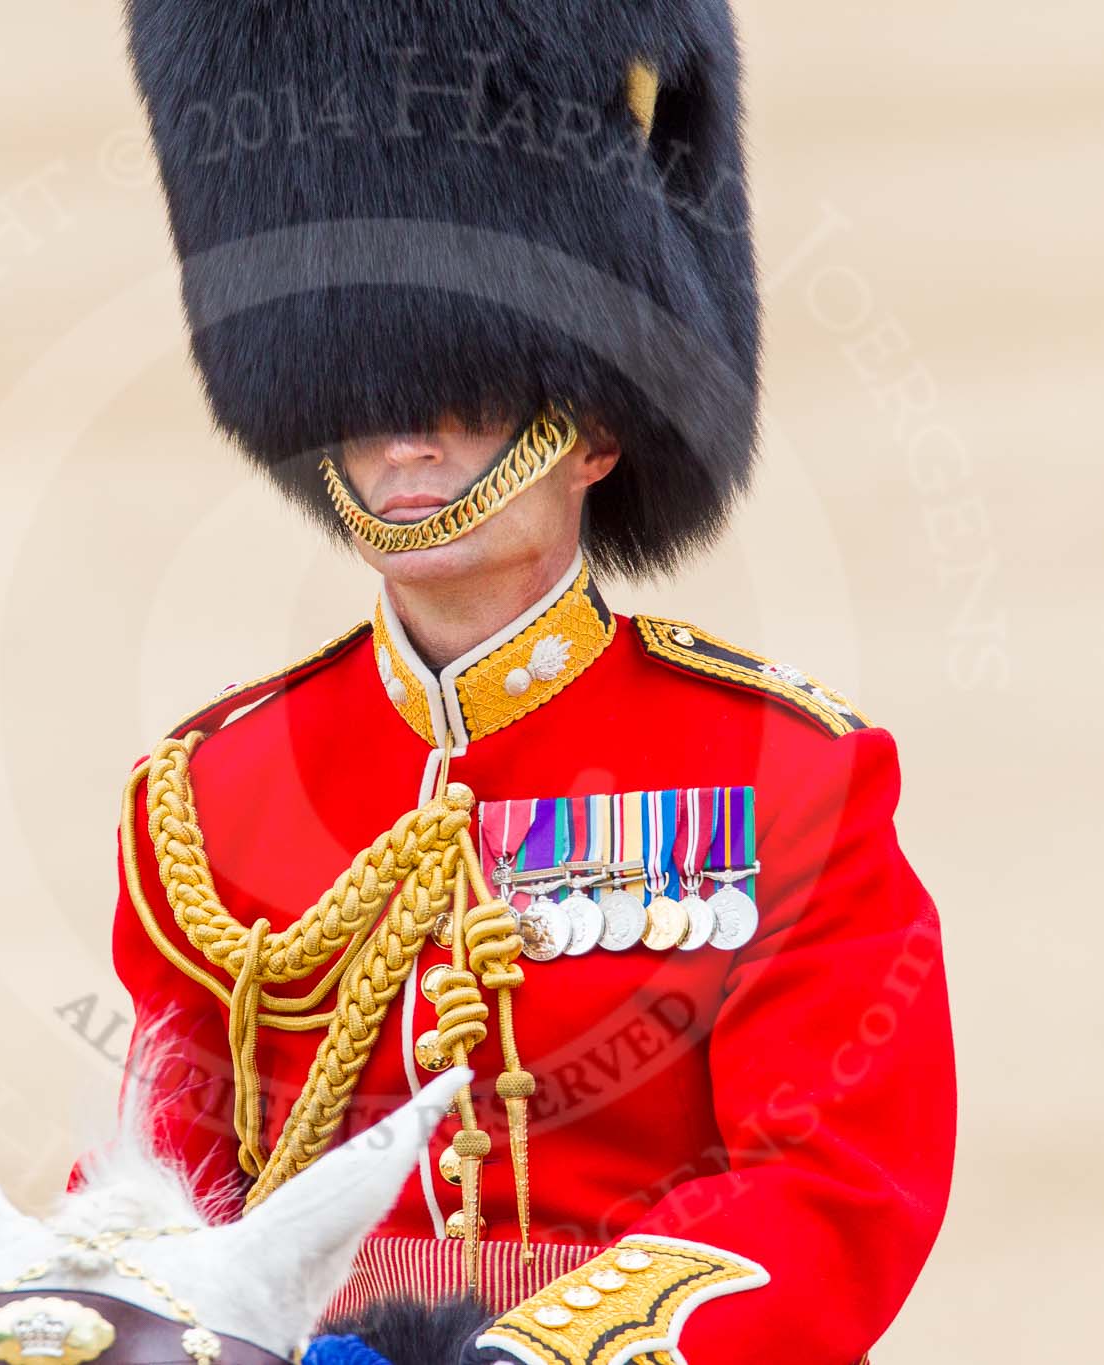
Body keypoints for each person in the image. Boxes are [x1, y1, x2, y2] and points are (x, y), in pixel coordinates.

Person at [109, 3, 956, 1363]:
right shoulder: (206, 800)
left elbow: (836, 1187)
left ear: (595, 430)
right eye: (369, 390)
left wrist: (539, 1351)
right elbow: (168, 1185)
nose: (411, 436)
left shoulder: (783, 772)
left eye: (473, 392)